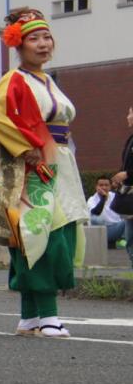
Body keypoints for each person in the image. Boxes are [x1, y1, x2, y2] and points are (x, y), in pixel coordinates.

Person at [0, 8, 87, 338]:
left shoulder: (45, 80)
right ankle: (48, 315)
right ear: (19, 45)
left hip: (58, 162)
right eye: (34, 38)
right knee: (43, 235)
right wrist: (27, 151)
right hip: (37, 166)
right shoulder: (14, 81)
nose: (43, 44)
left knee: (45, 234)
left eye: (46, 37)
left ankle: (30, 316)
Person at [114, 106, 133, 266]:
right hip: (129, 199)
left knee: (131, 239)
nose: (127, 117)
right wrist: (120, 175)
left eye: (130, 113)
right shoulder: (130, 140)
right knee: (130, 239)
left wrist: (127, 174)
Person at [86, 176, 126, 247]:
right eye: (101, 185)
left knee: (128, 220)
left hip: (116, 228)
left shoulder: (115, 196)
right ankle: (116, 241)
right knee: (94, 219)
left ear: (110, 187)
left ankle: (121, 240)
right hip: (100, 231)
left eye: (106, 185)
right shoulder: (91, 199)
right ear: (96, 187)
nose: (104, 187)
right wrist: (103, 198)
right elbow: (96, 212)